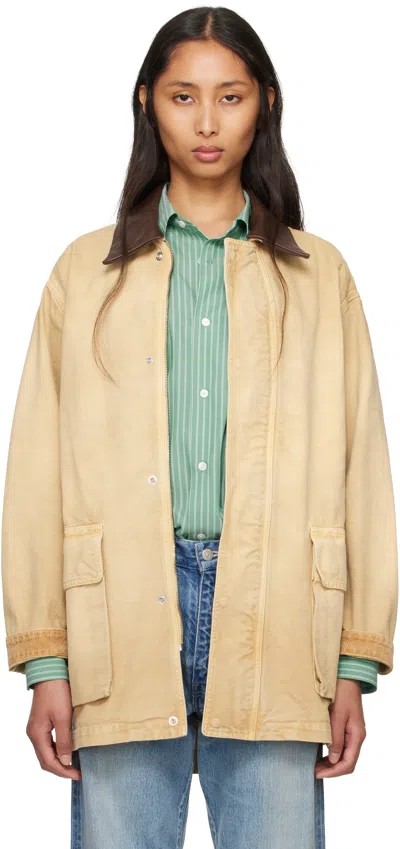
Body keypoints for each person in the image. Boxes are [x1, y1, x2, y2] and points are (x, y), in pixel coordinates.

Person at [1, 6, 398, 849]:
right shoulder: (85, 273)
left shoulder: (319, 276)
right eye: (184, 96)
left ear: (267, 103)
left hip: (280, 618)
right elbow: (35, 470)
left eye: (231, 96)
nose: (208, 122)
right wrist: (46, 660)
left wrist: (355, 660)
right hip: (118, 620)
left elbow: (363, 467)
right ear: (147, 102)